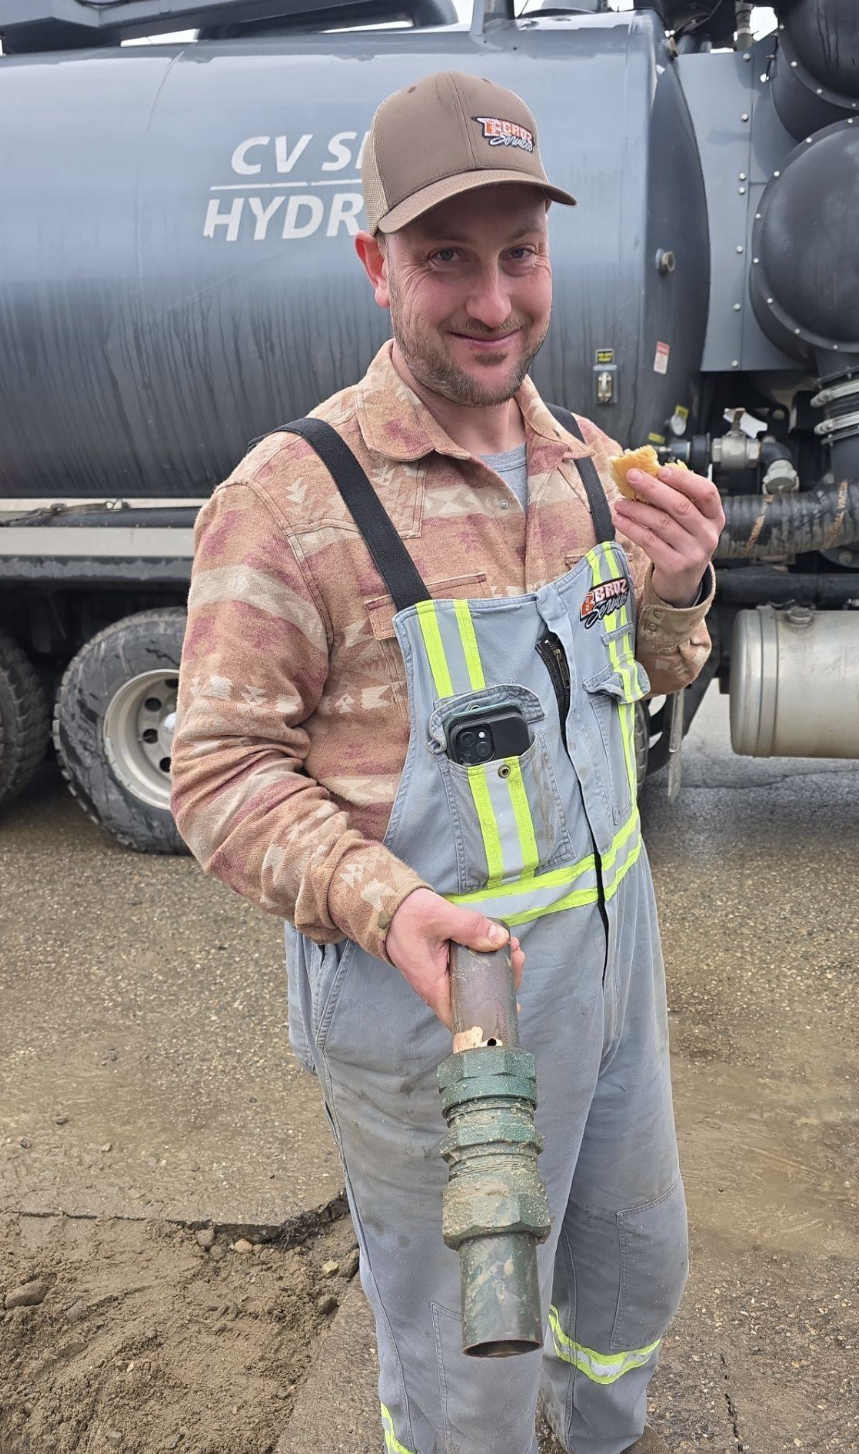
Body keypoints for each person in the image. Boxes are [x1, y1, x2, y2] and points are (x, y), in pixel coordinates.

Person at [171, 68, 723, 1454]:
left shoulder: (588, 466)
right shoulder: (292, 501)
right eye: (445, 259)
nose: (493, 301)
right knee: (471, 1348)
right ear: (375, 265)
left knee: (629, 1272)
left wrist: (682, 588)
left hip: (611, 985)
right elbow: (219, 771)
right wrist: (388, 904)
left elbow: (649, 675)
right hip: (439, 1015)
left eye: (517, 255)